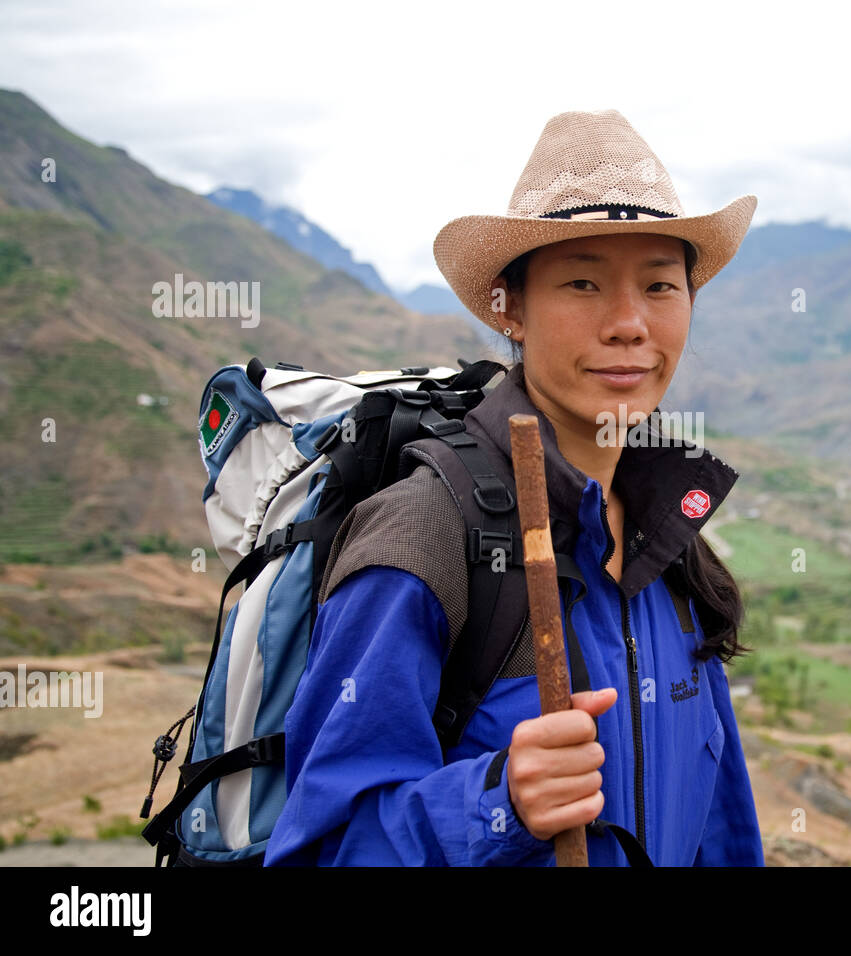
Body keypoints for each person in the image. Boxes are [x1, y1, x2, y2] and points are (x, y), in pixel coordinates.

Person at [264, 109, 763, 866]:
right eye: (584, 282)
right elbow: (321, 847)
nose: (630, 323)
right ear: (513, 308)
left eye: (661, 285)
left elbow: (722, 829)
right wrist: (497, 804)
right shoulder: (424, 538)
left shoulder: (669, 541)